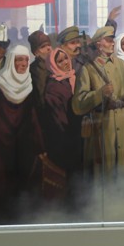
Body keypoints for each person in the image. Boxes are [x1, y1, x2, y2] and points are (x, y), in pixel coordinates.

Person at [0, 45, 45, 223]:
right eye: (19, 60)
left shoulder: (28, 83)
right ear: (11, 62)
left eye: (26, 60)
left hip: (22, 141)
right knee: (0, 181)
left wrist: (39, 143)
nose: (23, 64)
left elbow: (33, 115)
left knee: (21, 180)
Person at [72, 26, 124, 178]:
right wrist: (99, 94)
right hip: (103, 126)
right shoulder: (88, 69)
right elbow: (78, 104)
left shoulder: (121, 65)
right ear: (98, 44)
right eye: (108, 40)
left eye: (112, 40)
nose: (112, 43)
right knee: (105, 171)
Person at [40, 47, 83, 189]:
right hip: (65, 140)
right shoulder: (53, 88)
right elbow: (59, 120)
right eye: (60, 61)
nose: (65, 62)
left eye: (66, 58)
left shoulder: (72, 78)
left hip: (77, 136)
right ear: (53, 65)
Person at [27, 30, 52, 109]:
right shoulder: (35, 70)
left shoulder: (54, 65)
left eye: (49, 45)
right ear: (36, 52)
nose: (48, 48)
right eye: (43, 46)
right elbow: (41, 98)